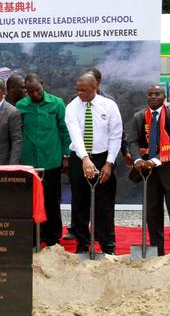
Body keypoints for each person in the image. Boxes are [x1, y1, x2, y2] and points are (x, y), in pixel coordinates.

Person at [63, 68, 133, 241]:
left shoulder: (109, 106)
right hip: (79, 158)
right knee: (80, 202)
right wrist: (85, 158)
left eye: (84, 90)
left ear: (95, 87)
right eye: (77, 90)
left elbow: (116, 136)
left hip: (103, 158)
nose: (80, 94)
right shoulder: (72, 107)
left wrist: (109, 163)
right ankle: (82, 244)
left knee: (104, 205)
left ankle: (107, 244)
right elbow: (75, 135)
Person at [128, 85, 170, 256]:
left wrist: (154, 161)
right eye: (150, 94)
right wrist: (138, 160)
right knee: (152, 215)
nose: (153, 97)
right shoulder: (139, 117)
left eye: (157, 94)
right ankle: (157, 253)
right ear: (146, 97)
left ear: (164, 97)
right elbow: (133, 141)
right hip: (149, 174)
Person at [17, 73, 71, 246]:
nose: (35, 94)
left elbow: (64, 130)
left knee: (51, 200)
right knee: (30, 201)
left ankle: (53, 236)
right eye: (30, 92)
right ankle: (32, 237)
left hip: (52, 161)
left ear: (42, 83)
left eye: (37, 90)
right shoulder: (20, 106)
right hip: (28, 162)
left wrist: (65, 156)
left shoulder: (57, 103)